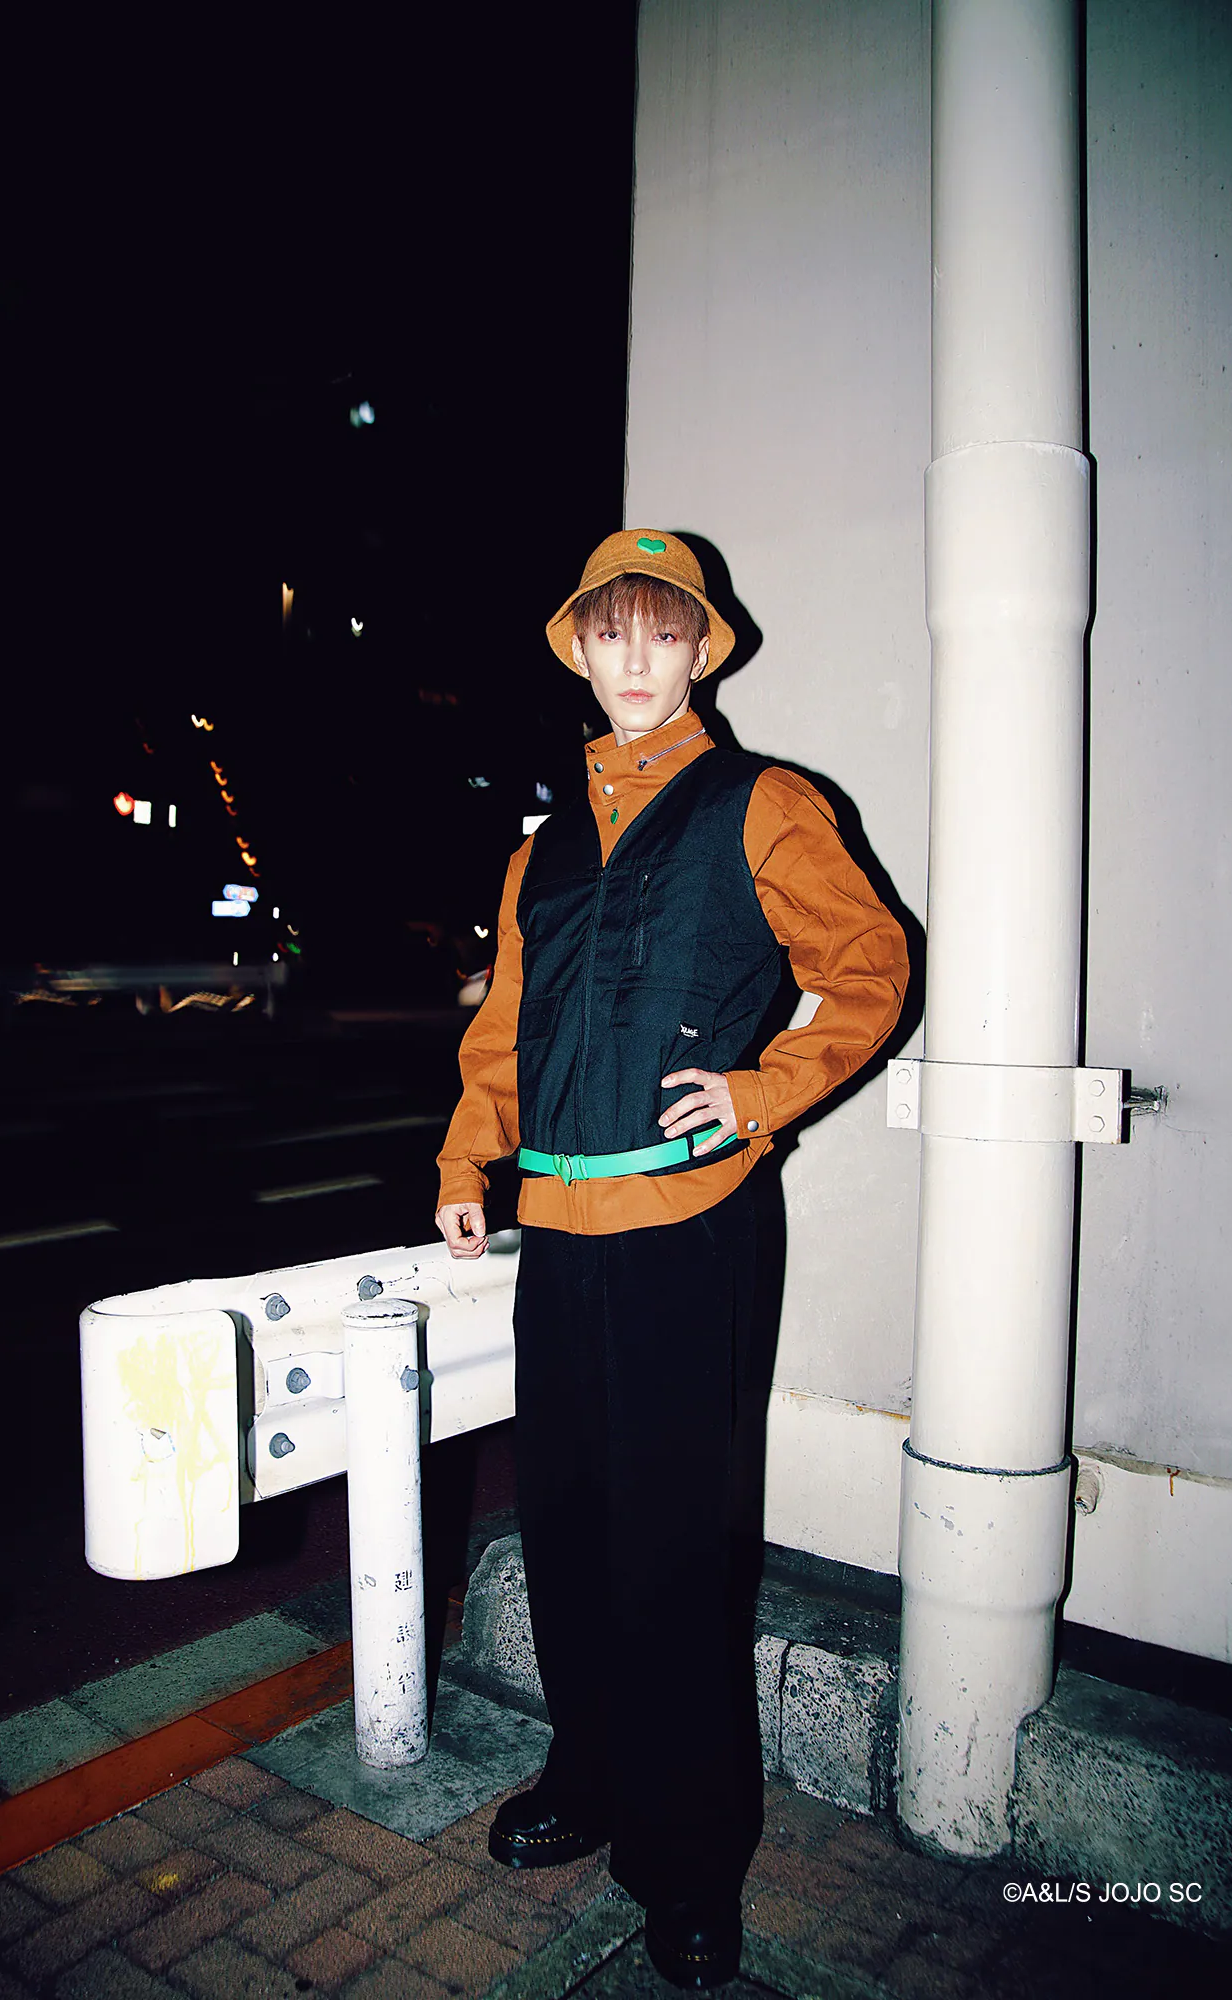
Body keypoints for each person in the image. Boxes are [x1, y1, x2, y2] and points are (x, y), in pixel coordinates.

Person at [435, 529, 908, 1989]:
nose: (635, 658)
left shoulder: (765, 804)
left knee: (680, 1552)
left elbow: (870, 965)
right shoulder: (541, 851)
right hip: (561, 1237)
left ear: (703, 650)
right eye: (611, 632)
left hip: (692, 1233)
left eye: (662, 632)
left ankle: (690, 1863)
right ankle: (587, 1775)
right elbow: (507, 1028)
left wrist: (765, 1091)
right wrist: (466, 1160)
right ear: (579, 651)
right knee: (568, 1528)